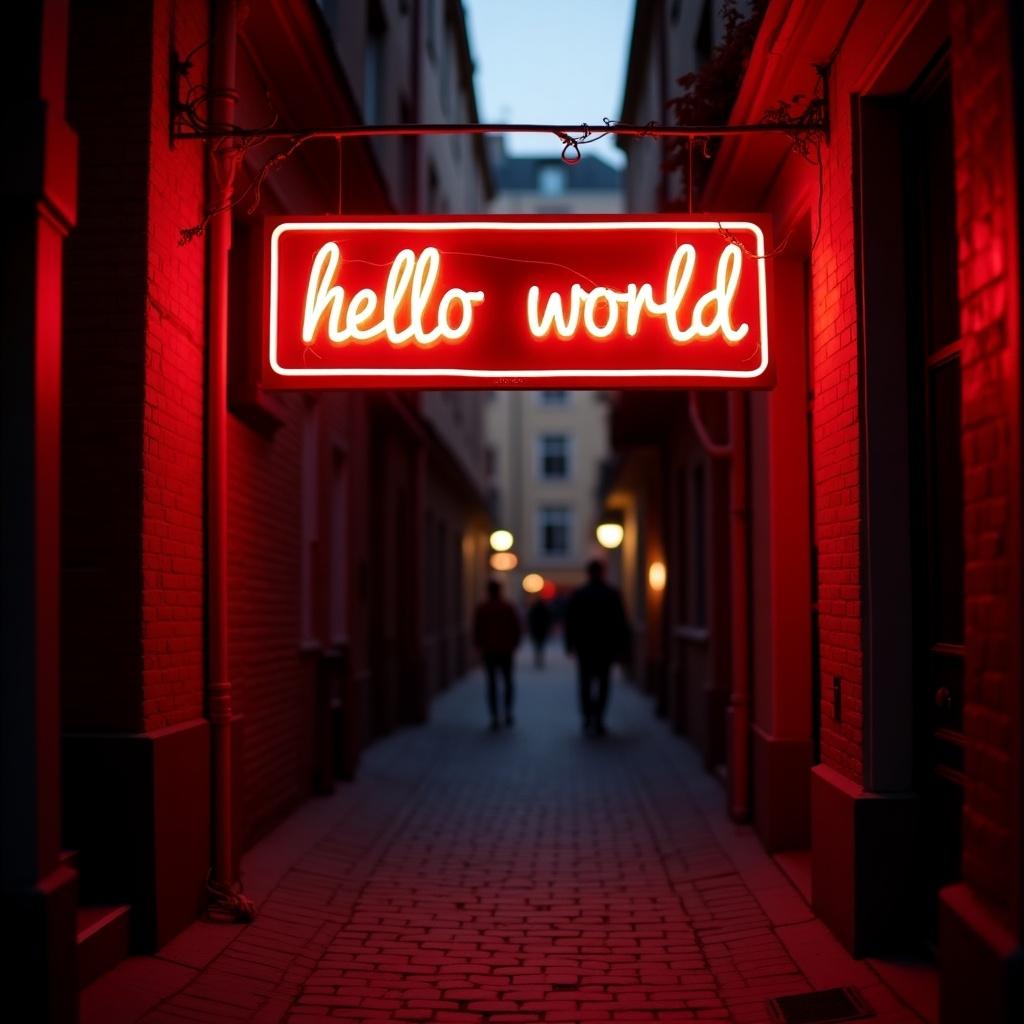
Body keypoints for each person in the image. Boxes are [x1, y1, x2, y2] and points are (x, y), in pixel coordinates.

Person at [564, 560, 631, 736]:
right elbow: (620, 622)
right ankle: (599, 719)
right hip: (605, 647)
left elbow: (571, 622)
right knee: (603, 683)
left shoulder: (580, 594)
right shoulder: (612, 594)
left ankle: (587, 717)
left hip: (585, 647)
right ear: (602, 572)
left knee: (585, 682)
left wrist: (569, 645)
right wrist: (623, 648)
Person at [472, 580, 522, 730]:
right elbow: (516, 628)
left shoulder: (483, 608)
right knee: (507, 682)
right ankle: (508, 712)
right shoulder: (508, 607)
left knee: (492, 684)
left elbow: (477, 630)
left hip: (489, 651)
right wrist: (513, 645)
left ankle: (494, 716)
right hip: (506, 651)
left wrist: (480, 646)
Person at [526, 596, 553, 669]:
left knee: (537, 646)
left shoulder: (533, 609)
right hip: (542, 630)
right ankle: (540, 659)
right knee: (541, 645)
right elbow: (549, 619)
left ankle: (538, 659)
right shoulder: (545, 609)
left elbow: (530, 619)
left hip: (536, 630)